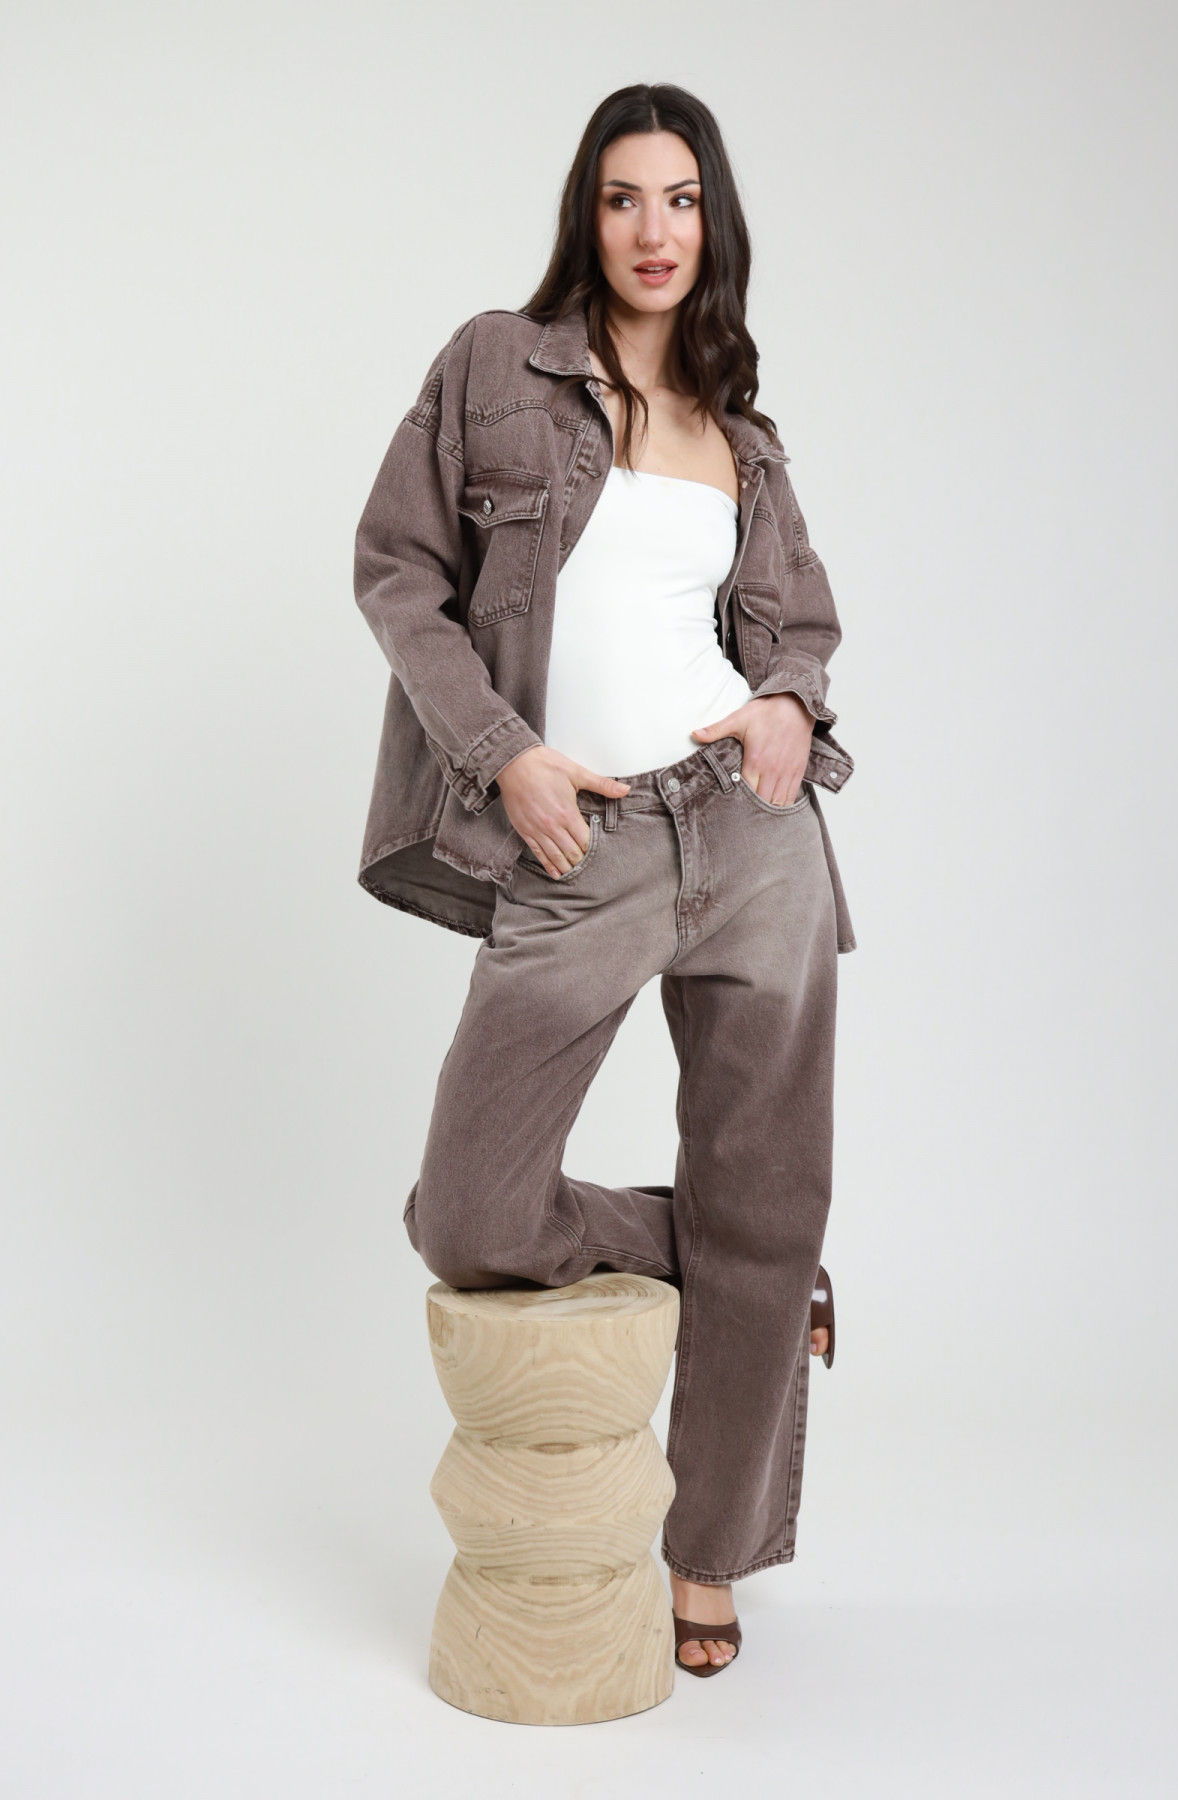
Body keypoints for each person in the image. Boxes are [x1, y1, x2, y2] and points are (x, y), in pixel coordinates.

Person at [354, 82, 856, 1678]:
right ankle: (739, 1251)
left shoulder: (741, 434)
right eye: (626, 197)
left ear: (714, 225)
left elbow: (799, 629)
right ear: (589, 212)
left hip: (755, 843)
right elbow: (397, 571)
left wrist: (788, 707)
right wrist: (504, 753)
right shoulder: (495, 364)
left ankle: (707, 1559)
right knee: (470, 1212)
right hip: (582, 842)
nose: (655, 230)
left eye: (683, 201)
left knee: (766, 1180)